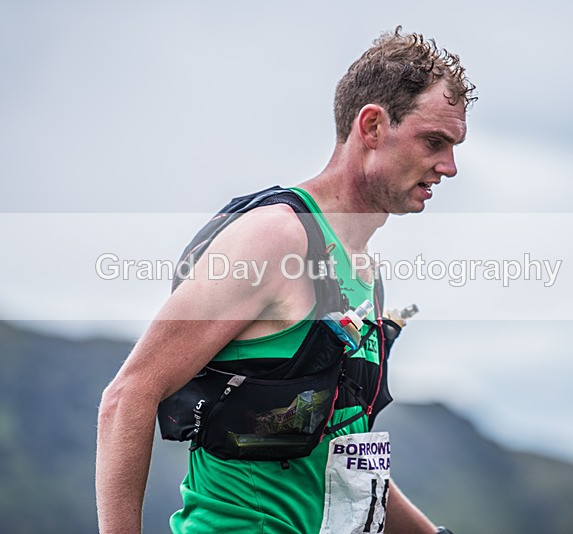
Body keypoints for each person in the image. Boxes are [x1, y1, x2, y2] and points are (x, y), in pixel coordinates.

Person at [96, 27, 475, 533]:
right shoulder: (277, 239)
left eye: (454, 147)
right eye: (434, 141)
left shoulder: (363, 271)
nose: (449, 167)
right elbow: (128, 396)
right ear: (372, 126)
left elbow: (338, 459)